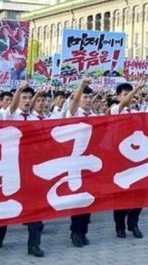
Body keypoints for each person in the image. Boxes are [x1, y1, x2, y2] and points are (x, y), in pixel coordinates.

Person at [0, 82, 44, 257]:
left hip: (30, 168)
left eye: (30, 98)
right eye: (24, 98)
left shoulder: (37, 120)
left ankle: (34, 245)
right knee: (5, 205)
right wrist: (20, 89)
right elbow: (13, 106)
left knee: (35, 208)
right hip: (10, 168)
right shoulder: (10, 114)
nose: (27, 101)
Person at [110, 82, 147, 237]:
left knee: (140, 192)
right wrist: (137, 89)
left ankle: (133, 223)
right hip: (120, 158)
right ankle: (120, 227)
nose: (128, 98)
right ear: (118, 96)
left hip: (137, 157)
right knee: (121, 194)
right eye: (125, 94)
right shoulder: (115, 109)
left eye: (130, 94)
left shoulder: (138, 112)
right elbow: (124, 103)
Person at [66, 78, 97, 247]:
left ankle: (83, 231)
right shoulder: (73, 113)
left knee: (88, 199)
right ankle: (75, 232)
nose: (88, 100)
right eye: (85, 98)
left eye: (90, 98)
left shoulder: (95, 117)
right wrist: (81, 86)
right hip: (74, 162)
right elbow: (74, 102)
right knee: (77, 199)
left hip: (90, 163)